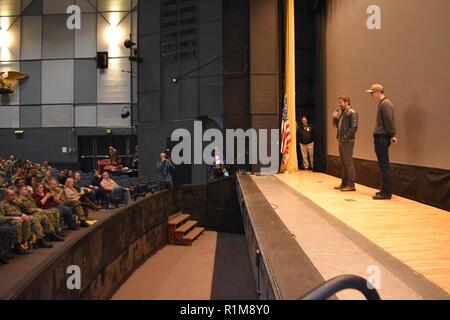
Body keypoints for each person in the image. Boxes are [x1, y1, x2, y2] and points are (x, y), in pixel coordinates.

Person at [366, 84, 398, 200]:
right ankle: (384, 189)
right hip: (381, 138)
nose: (371, 96)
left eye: (372, 93)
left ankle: (386, 192)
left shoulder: (385, 104)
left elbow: (389, 121)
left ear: (378, 92)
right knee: (383, 165)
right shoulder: (383, 103)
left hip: (382, 138)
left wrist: (393, 134)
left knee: (384, 166)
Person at [332, 96, 359, 192]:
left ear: (347, 102)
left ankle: (351, 184)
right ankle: (344, 183)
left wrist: (345, 137)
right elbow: (338, 126)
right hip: (342, 141)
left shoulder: (352, 112)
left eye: (341, 102)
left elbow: (354, 127)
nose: (339, 104)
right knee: (343, 163)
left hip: (347, 141)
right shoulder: (343, 113)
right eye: (339, 102)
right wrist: (335, 118)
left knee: (348, 162)